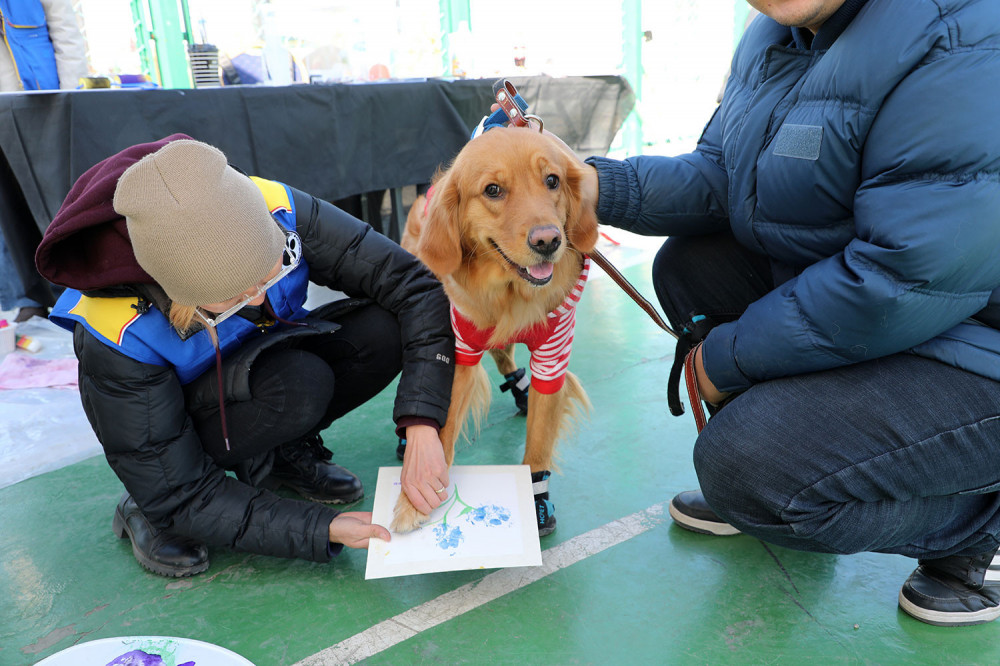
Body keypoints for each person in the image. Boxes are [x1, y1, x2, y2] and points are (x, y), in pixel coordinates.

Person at [576, 0, 1000, 626]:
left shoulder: (959, 31)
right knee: (691, 264)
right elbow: (723, 177)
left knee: (748, 468)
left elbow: (902, 275)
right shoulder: (776, 33)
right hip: (910, 314)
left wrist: (728, 357)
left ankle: (976, 533)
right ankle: (794, 470)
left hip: (974, 342)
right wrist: (589, 185)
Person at [34, 136, 456, 576]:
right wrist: (321, 528)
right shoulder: (114, 330)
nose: (258, 298)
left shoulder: (272, 206)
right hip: (180, 437)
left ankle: (280, 453)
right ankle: (144, 507)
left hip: (262, 368)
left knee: (381, 329)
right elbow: (183, 492)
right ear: (183, 298)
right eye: (237, 296)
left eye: (272, 270)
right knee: (289, 389)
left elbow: (415, 287)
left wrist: (421, 422)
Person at [0, 0, 89, 321]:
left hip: (39, 101)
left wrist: (71, 96)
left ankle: (77, 291)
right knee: (7, 209)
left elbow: (65, 31)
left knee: (56, 200)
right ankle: (27, 296)